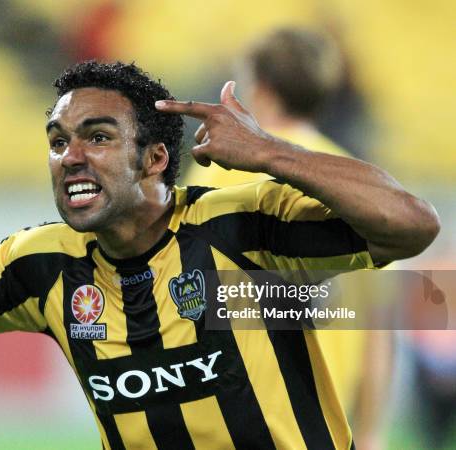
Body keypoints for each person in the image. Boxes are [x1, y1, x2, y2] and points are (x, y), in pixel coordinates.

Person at [0, 61, 439, 449]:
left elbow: (411, 226)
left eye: (97, 137)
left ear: (154, 159)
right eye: (58, 142)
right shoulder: (45, 264)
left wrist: (268, 151)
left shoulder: (238, 226)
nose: (70, 157)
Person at [184, 27, 391, 449]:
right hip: (328, 428)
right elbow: (377, 326)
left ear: (259, 88)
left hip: (236, 420)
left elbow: (181, 302)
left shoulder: (214, 169)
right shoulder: (355, 177)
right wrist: (369, 432)